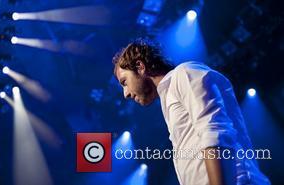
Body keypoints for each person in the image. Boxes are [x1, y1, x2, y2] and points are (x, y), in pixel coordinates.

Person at [112, 38, 271, 185]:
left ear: (140, 67)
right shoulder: (168, 98)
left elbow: (213, 133)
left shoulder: (184, 73)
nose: (125, 93)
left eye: (124, 82)